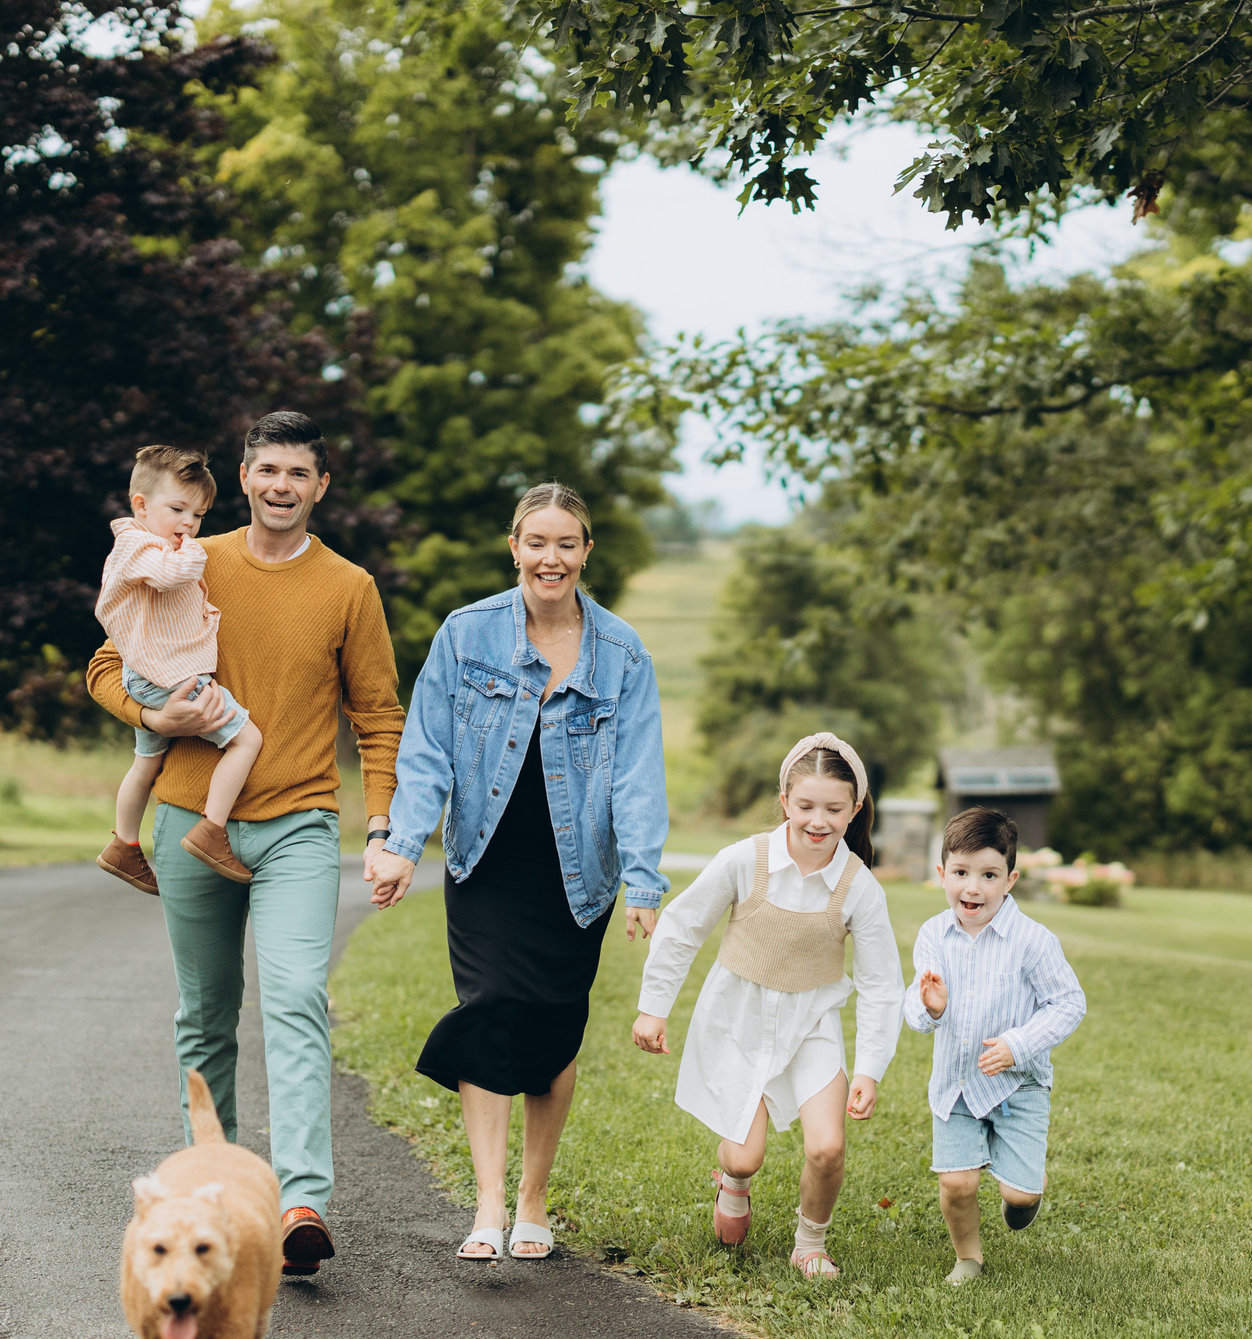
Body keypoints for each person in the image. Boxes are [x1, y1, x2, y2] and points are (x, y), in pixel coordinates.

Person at [86, 412, 405, 1278]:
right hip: (189, 820)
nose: (280, 486)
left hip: (299, 822)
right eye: (266, 469)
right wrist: (151, 716)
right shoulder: (191, 552)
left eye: (298, 473)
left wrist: (382, 825)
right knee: (206, 1014)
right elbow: (107, 661)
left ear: (320, 487)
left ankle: (300, 1200)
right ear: (244, 473)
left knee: (297, 993)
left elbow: (379, 715)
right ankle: (208, 1191)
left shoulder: (350, 587)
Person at [367, 483, 667, 1262]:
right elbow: (427, 749)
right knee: (494, 1004)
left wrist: (643, 877)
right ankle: (490, 1201)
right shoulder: (467, 636)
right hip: (487, 859)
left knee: (554, 1033)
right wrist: (402, 841)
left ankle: (536, 1196)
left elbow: (637, 773)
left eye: (567, 544)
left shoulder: (622, 652)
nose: (551, 557)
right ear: (514, 547)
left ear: (586, 552)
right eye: (537, 542)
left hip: (578, 871)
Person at [631, 734, 898, 1280]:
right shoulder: (743, 859)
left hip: (811, 1026)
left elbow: (880, 985)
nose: (817, 820)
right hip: (738, 1019)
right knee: (743, 1156)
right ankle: (733, 1183)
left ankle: (810, 1243)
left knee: (826, 1148)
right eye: (805, 806)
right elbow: (682, 929)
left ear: (854, 811)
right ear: (785, 801)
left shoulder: (860, 888)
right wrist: (653, 1008)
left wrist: (869, 1067)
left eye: (833, 809)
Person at [904, 806, 1087, 1286]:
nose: (973, 888)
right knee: (957, 1182)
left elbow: (1068, 1004)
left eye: (989, 875)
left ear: (1010, 880)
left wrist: (1018, 1043)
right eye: (961, 873)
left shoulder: (1033, 941)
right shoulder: (932, 936)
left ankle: (1026, 1190)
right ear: (942, 874)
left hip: (1018, 1086)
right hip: (957, 1083)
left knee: (1021, 1195)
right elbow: (915, 1011)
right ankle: (969, 1257)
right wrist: (933, 1008)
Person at [93, 446, 264, 893]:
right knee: (247, 740)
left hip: (151, 675)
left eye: (199, 515)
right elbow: (172, 575)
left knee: (145, 763)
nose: (189, 525)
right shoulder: (138, 544)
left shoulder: (148, 543)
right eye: (178, 510)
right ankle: (212, 828)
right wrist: (194, 552)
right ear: (141, 505)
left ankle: (123, 846)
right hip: (170, 678)